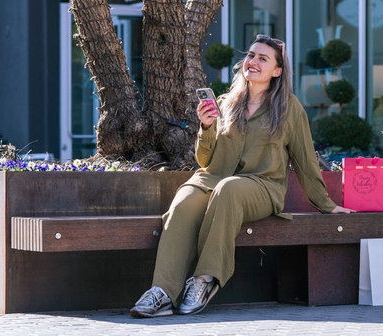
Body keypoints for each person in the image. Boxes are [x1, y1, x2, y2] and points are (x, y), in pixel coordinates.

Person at [130, 35, 355, 318]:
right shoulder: (225, 103)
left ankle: (204, 280)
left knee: (229, 189)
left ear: (277, 71)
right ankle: (162, 292)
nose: (253, 62)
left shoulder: (289, 108)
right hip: (213, 179)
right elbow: (204, 160)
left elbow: (304, 158)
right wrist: (206, 127)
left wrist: (326, 203)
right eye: (251, 55)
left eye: (263, 58)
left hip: (262, 186)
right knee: (184, 200)